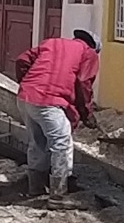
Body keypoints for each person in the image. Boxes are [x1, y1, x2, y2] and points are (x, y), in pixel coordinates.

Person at [15, 29, 100, 209]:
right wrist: (87, 114)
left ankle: (36, 187)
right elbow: (84, 83)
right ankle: (58, 195)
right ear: (94, 46)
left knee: (38, 142)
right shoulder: (88, 53)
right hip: (49, 101)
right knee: (62, 143)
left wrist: (28, 83)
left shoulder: (51, 43)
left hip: (26, 97)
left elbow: (22, 60)